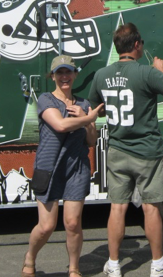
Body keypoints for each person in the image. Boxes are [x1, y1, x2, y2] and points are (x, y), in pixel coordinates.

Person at [88, 23, 163, 277]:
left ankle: (115, 264)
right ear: (137, 44)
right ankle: (157, 264)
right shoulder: (147, 73)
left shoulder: (101, 75)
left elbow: (92, 107)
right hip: (146, 151)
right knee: (150, 207)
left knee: (117, 207)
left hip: (117, 149)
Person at [23, 55, 103, 277]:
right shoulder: (46, 99)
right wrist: (87, 119)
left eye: (68, 72)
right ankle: (30, 257)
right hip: (49, 168)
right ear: (53, 76)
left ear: (76, 74)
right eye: (60, 73)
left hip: (76, 168)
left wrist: (87, 120)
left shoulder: (84, 105)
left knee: (72, 223)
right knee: (47, 226)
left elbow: (91, 141)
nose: (64, 77)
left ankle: (74, 269)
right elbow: (59, 125)